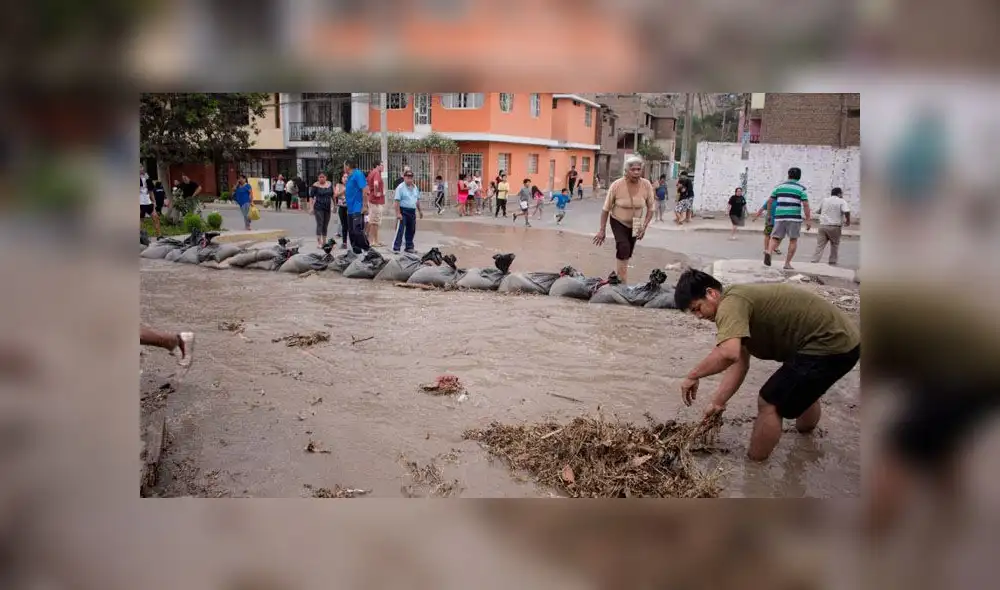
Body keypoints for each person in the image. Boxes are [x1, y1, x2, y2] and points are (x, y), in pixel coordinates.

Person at [673, 268, 860, 462]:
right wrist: (717, 403)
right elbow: (739, 363)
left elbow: (728, 353)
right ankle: (806, 440)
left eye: (697, 308)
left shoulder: (730, 304)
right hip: (843, 341)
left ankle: (755, 465)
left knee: (769, 401)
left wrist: (692, 375)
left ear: (711, 293)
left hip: (829, 345)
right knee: (801, 383)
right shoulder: (737, 301)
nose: (699, 316)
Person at [593, 155, 655, 284]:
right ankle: (622, 281)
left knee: (628, 252)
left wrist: (644, 226)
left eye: (638, 169)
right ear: (626, 171)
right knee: (623, 247)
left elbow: (651, 208)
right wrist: (602, 230)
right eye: (633, 169)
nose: (636, 172)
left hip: (637, 222)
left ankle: (620, 274)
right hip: (618, 221)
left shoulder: (646, 185)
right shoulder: (617, 185)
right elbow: (605, 209)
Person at [764, 167, 812, 269]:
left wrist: (769, 215)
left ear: (788, 175)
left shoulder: (779, 187)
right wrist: (808, 219)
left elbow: (769, 201)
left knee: (775, 237)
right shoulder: (801, 189)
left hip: (779, 217)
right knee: (793, 240)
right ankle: (787, 263)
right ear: (799, 177)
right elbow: (806, 204)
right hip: (794, 218)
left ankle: (769, 251)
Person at [812, 187, 851, 266]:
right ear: (839, 194)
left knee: (820, 245)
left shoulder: (824, 200)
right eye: (841, 193)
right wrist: (848, 220)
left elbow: (817, 211)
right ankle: (832, 261)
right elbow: (847, 211)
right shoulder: (841, 201)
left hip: (823, 225)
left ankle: (814, 261)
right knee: (834, 244)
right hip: (835, 226)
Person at [392, 169, 424, 254]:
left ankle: (409, 247)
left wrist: (420, 211)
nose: (409, 179)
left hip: (412, 211)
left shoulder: (415, 187)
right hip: (403, 211)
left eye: (411, 178)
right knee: (400, 230)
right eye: (407, 177)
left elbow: (417, 200)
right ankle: (396, 248)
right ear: (404, 178)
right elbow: (397, 201)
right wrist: (398, 213)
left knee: (411, 229)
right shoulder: (400, 187)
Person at [343, 159, 371, 253]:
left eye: (344, 166)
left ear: (348, 166)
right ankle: (356, 251)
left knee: (357, 230)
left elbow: (365, 189)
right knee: (351, 232)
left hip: (357, 208)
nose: (343, 168)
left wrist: (365, 206)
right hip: (350, 209)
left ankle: (367, 249)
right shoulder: (349, 177)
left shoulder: (358, 174)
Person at [310, 172, 334, 248]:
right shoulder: (315, 185)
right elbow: (311, 197)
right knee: (320, 223)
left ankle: (324, 242)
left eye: (323, 177)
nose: (321, 178)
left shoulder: (329, 185)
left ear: (326, 177)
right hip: (318, 207)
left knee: (325, 224)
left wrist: (335, 205)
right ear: (318, 178)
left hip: (327, 207)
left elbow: (332, 195)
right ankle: (319, 242)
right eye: (320, 177)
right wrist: (311, 207)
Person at [366, 162, 386, 247]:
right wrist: (376, 193)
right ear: (377, 166)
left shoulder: (372, 173)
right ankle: (373, 241)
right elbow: (376, 184)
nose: (383, 167)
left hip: (373, 200)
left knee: (373, 221)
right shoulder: (376, 173)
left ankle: (374, 240)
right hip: (375, 201)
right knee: (375, 222)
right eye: (381, 165)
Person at [140, 165, 160, 237]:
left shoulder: (147, 178)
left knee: (156, 217)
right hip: (140, 203)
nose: (141, 169)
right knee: (141, 220)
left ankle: (159, 235)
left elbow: (151, 191)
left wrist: (154, 202)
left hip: (148, 201)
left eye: (141, 167)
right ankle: (141, 237)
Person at [336, 172, 350, 249]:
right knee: (344, 225)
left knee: (350, 225)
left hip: (350, 207)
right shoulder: (338, 185)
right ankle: (344, 243)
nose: (345, 179)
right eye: (344, 177)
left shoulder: (351, 185)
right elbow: (336, 194)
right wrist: (344, 191)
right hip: (342, 207)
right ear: (341, 178)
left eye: (347, 177)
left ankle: (353, 242)